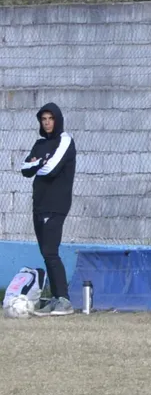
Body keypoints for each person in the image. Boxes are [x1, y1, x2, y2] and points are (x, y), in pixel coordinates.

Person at [21, 103, 76, 316]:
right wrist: (38, 162)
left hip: (56, 205)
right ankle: (54, 298)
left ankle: (64, 300)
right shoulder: (39, 143)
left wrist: (39, 163)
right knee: (46, 253)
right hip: (39, 204)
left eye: (50, 118)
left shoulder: (66, 140)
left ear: (57, 119)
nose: (47, 122)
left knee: (50, 252)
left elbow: (51, 168)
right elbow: (24, 168)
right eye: (44, 119)